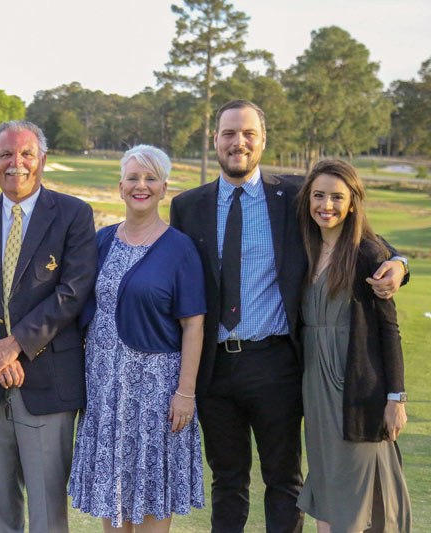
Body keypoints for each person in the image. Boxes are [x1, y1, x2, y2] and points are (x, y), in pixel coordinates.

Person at [169, 99, 408, 533]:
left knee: (282, 479)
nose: (237, 142)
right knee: (228, 480)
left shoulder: (296, 194)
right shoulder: (188, 207)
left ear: (263, 140)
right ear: (215, 139)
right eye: (228, 133)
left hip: (276, 363)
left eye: (247, 134)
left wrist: (401, 262)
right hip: (213, 367)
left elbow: (363, 235)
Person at [0, 120, 97, 533]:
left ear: (43, 160)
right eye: (5, 155)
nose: (16, 163)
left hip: (49, 379)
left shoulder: (73, 214)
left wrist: (15, 345)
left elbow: (73, 290)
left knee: (48, 511)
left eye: (26, 154)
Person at [69, 145, 206, 532]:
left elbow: (194, 324)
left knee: (149, 498)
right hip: (105, 393)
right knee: (113, 504)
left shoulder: (179, 249)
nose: (140, 186)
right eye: (133, 178)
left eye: (150, 179)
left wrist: (186, 392)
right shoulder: (101, 241)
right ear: (120, 186)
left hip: (156, 394)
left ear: (164, 188)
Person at [295, 159, 411, 532]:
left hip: (357, 388)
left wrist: (396, 398)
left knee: (358, 493)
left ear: (352, 203)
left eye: (336, 197)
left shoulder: (368, 253)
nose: (326, 205)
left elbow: (388, 329)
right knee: (327, 484)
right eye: (318, 195)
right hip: (314, 387)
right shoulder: (302, 245)